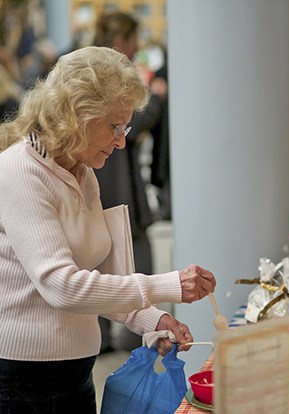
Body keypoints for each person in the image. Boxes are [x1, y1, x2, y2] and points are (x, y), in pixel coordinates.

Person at [0, 46, 217, 413]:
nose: (121, 140)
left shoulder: (83, 174)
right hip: (22, 383)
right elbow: (62, 285)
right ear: (75, 114)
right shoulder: (20, 171)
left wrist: (153, 318)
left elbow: (98, 278)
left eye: (125, 126)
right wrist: (168, 285)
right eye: (115, 126)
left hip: (75, 375)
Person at [91, 11, 168, 352]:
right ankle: (128, 338)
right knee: (132, 261)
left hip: (105, 184)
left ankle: (113, 338)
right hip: (116, 186)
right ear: (122, 40)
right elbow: (133, 122)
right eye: (134, 39)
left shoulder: (90, 68)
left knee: (100, 261)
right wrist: (158, 96)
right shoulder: (111, 75)